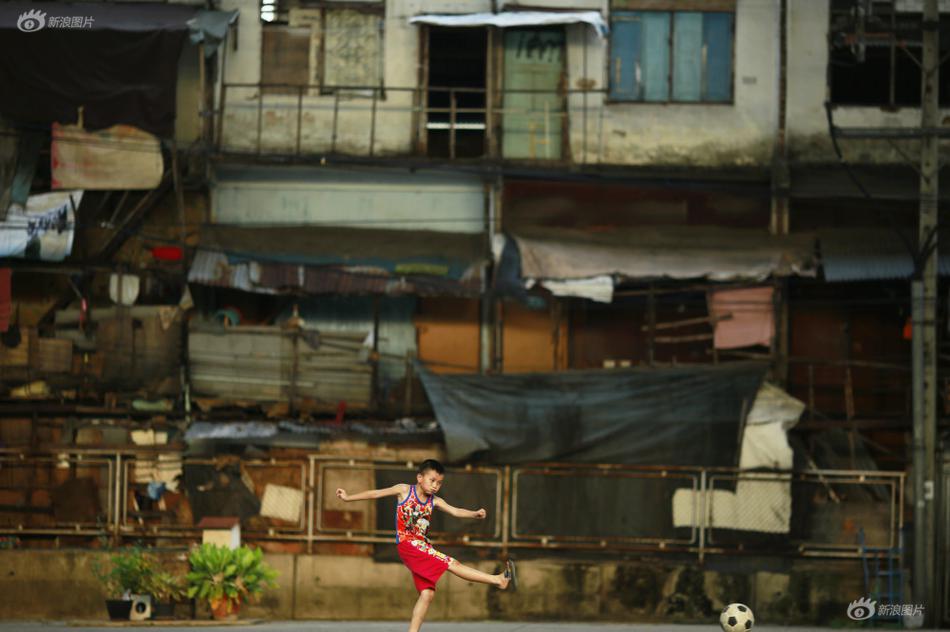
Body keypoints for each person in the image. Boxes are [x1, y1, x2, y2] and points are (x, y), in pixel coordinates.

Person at [336, 458, 517, 632]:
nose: (435, 486)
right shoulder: (404, 490)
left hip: (421, 547)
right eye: (432, 480)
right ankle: (497, 580)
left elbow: (455, 511)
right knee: (452, 563)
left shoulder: (435, 501)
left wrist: (474, 514)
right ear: (420, 478)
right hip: (408, 545)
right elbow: (375, 493)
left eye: (439, 483)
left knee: (427, 594)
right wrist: (348, 497)